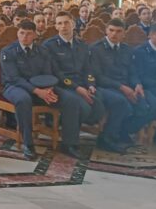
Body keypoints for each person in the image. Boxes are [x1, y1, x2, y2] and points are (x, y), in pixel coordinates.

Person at [0, 20, 82, 160]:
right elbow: (14, 78)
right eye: (21, 33)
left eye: (28, 34)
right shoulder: (8, 51)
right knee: (23, 100)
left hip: (42, 87)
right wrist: (37, 91)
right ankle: (28, 144)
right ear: (17, 34)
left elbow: (48, 73)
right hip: (15, 87)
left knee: (71, 99)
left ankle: (69, 144)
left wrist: (48, 89)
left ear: (35, 35)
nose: (24, 37)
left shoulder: (42, 51)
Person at [43, 13, 111, 146]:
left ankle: (69, 124)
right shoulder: (49, 45)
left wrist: (90, 84)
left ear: (73, 24)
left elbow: (88, 69)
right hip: (61, 85)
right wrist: (77, 88)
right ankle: (70, 143)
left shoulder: (82, 45)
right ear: (56, 26)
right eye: (60, 23)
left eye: (67, 23)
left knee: (99, 105)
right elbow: (56, 73)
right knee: (81, 106)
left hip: (81, 85)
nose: (64, 26)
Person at [90, 18, 156, 151]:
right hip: (104, 87)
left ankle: (122, 131)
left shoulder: (127, 49)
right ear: (106, 31)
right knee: (122, 103)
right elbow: (98, 76)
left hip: (126, 87)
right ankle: (106, 139)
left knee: (146, 107)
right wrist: (122, 88)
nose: (114, 34)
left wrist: (137, 84)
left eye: (118, 31)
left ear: (124, 33)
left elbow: (132, 72)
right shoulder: (96, 49)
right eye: (111, 30)